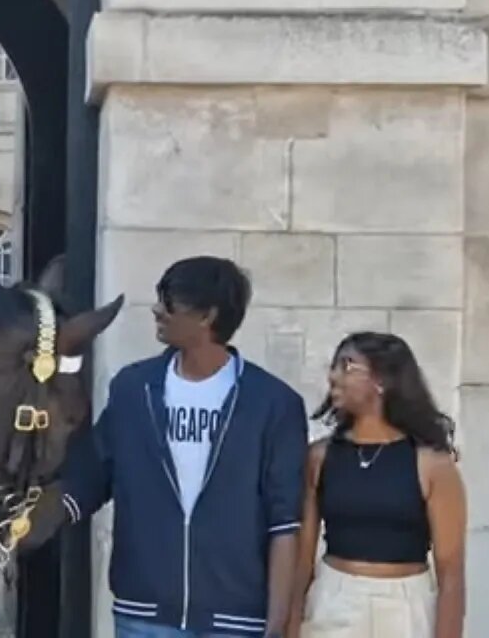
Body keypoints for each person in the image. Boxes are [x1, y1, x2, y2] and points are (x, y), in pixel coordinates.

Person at [60, 256, 308, 638]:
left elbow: (284, 523)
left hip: (235, 621)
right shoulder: (133, 388)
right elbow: (93, 476)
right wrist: (30, 520)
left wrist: (277, 626)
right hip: (144, 615)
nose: (157, 310)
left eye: (170, 300)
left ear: (207, 315)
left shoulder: (273, 404)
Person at [286, 333, 466, 638]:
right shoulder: (320, 457)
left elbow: (451, 573)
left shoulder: (432, 465)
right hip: (334, 600)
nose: (333, 376)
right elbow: (302, 558)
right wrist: (290, 623)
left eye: (348, 365)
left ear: (382, 380)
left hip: (406, 607)